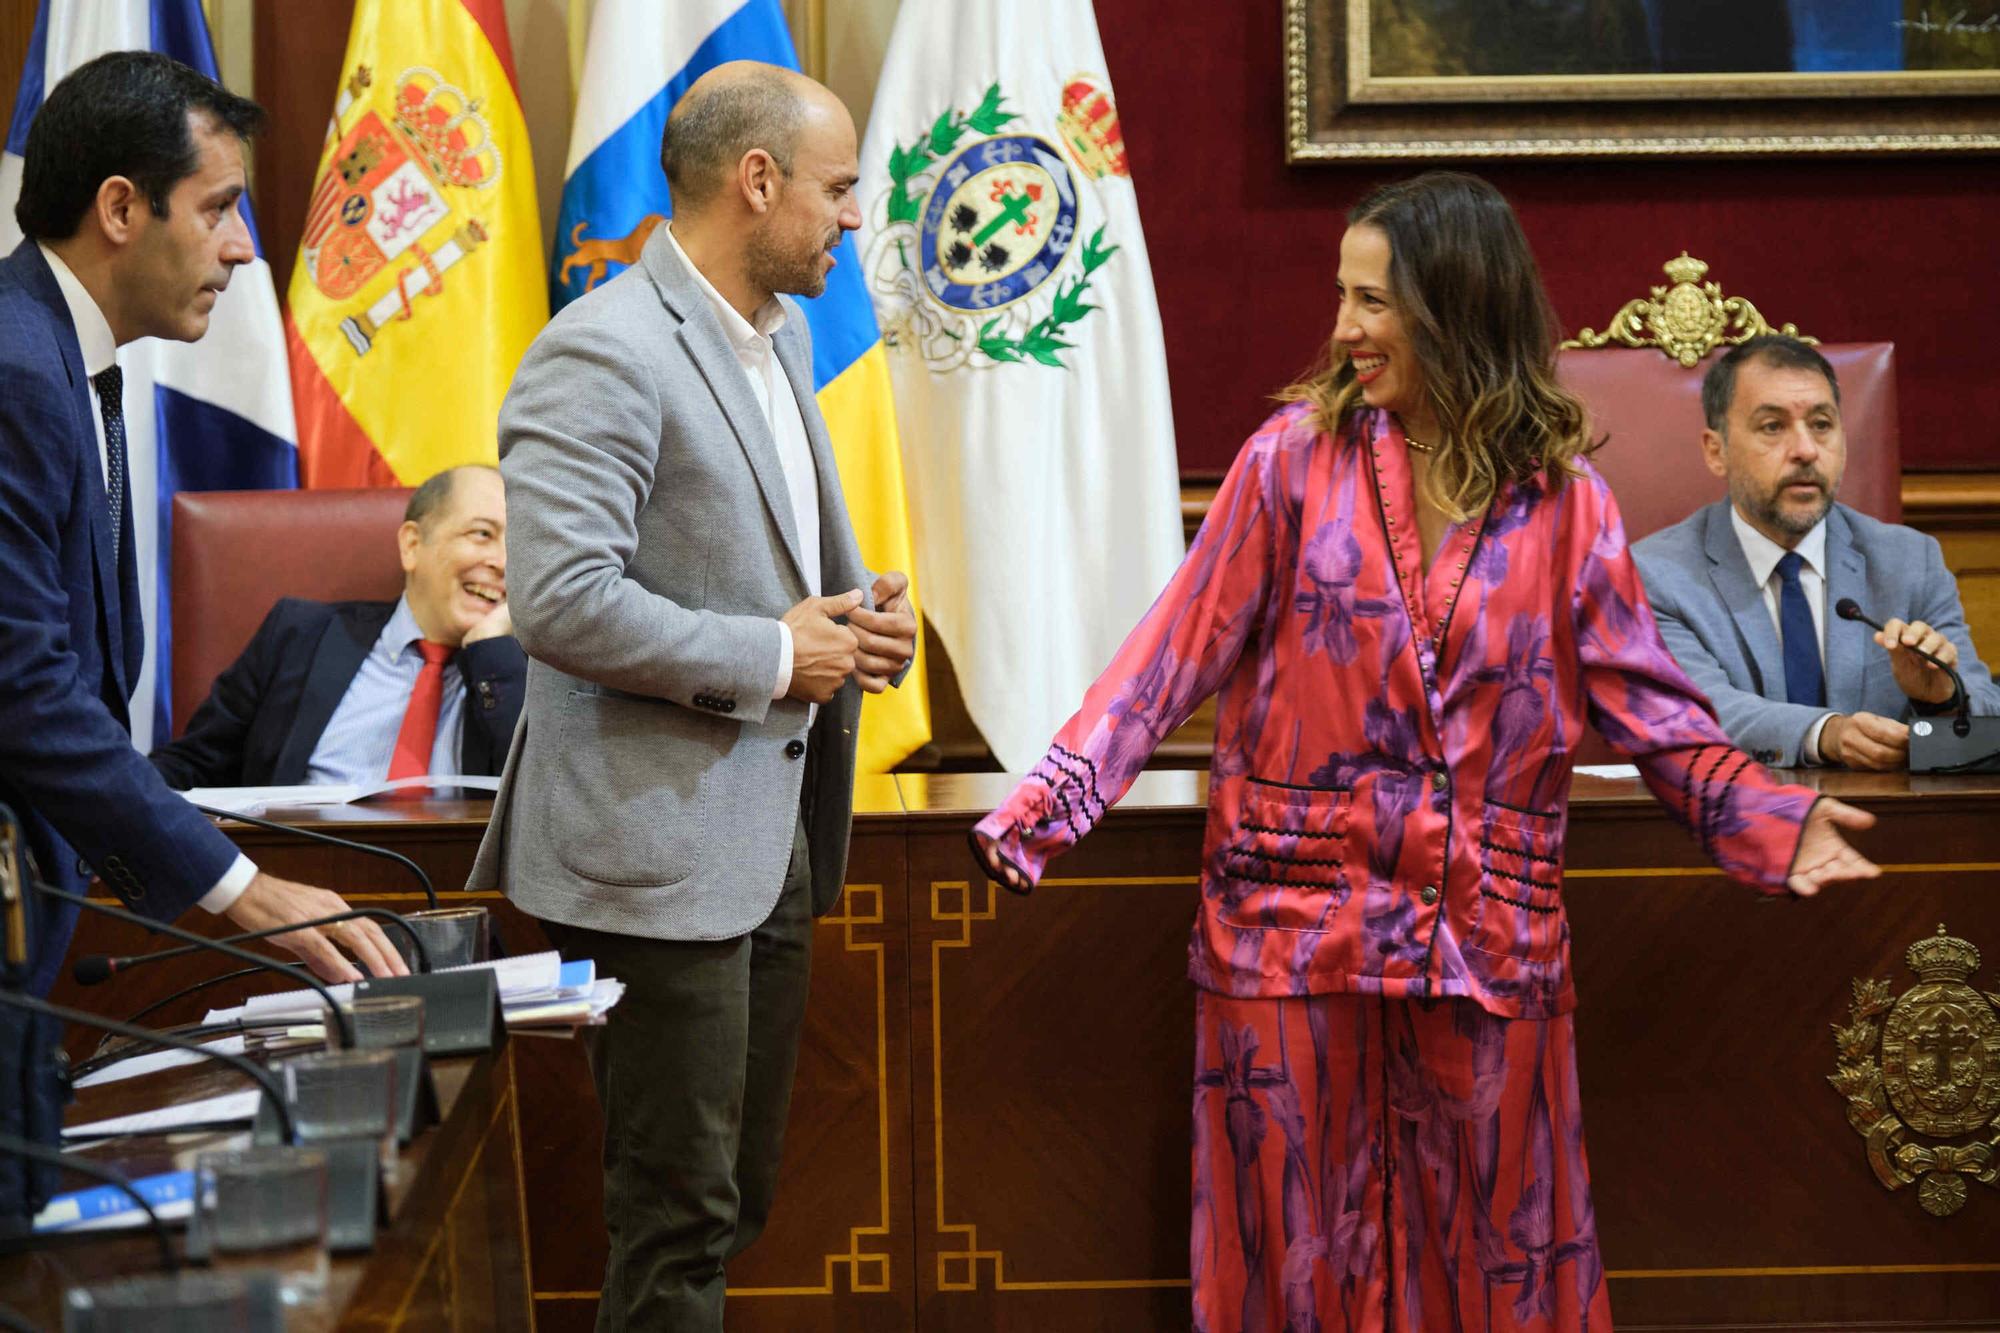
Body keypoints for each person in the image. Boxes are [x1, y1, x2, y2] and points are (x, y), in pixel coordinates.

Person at [971, 172, 1879, 1332]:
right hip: (1294, 929)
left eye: (1374, 302)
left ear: (1456, 306)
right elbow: (1172, 651)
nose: (1345, 328)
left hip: (1482, 936)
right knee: (1289, 1250)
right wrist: (1050, 803)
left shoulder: (1567, 505)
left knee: (1499, 1252)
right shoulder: (1287, 465)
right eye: (1343, 297)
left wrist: (1769, 818)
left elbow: (1652, 705)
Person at [467, 61, 917, 1331]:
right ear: (754, 180)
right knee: (675, 1221)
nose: (849, 219)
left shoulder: (774, 341)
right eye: (836, 190)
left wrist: (850, 623)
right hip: (652, 855)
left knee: (728, 1202)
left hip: (766, 845)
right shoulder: (600, 351)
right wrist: (777, 656)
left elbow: (756, 569)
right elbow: (558, 602)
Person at [0, 52, 405, 990]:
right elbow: (23, 684)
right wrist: (240, 887)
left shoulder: (66, 357)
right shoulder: (18, 371)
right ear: (120, 209)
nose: (243, 249)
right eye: (218, 208)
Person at [1633, 334, 2000, 770]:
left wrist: (1942, 700)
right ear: (1717, 451)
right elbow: (1695, 712)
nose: (1806, 450)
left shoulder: (1909, 561)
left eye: (1822, 425)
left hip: (1893, 827)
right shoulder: (1657, 574)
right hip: (1727, 826)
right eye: (1773, 426)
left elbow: (1985, 716)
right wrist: (1825, 733)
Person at [150, 464, 525, 790]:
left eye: (520, 544)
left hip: (456, 871)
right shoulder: (299, 636)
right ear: (412, 545)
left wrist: (492, 645)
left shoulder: (532, 671)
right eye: (482, 534)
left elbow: (544, 805)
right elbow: (191, 769)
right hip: (299, 862)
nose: (504, 561)